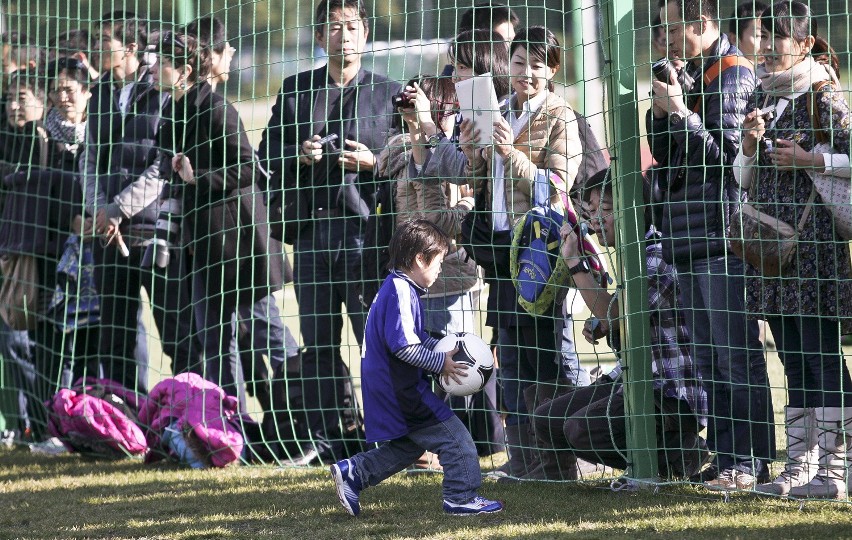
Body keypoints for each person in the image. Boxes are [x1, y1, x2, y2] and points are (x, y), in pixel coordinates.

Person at [258, 0, 401, 464]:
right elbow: (265, 157)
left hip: (366, 235)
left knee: (373, 342)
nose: (344, 35)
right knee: (318, 344)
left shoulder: (389, 93)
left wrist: (371, 162)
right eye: (334, 27)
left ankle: (388, 435)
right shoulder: (297, 90)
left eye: (352, 26)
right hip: (314, 233)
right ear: (320, 36)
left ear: (366, 33)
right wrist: (298, 155)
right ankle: (327, 439)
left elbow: (409, 165)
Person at [649, 0, 775, 490]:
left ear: (701, 23)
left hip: (722, 237)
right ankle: (725, 456)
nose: (666, 39)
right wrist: (663, 111)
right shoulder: (698, 74)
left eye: (672, 28)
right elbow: (665, 155)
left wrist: (682, 113)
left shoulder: (733, 75)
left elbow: (730, 163)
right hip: (688, 235)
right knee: (707, 359)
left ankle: (753, 461)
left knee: (734, 355)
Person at [734, 1, 852, 499]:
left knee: (821, 355)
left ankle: (836, 471)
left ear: (803, 44)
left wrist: (812, 159)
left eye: (773, 38)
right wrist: (746, 144)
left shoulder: (824, 95)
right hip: (770, 252)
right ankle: (798, 469)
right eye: (759, 37)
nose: (762, 49)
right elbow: (743, 179)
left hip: (814, 248)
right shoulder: (762, 98)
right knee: (792, 357)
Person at [461, 26, 583, 480]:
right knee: (510, 354)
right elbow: (484, 179)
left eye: (536, 64)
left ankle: (557, 462)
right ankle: (524, 457)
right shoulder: (500, 109)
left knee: (544, 353)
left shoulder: (560, 116)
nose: (525, 72)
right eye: (518, 62)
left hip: (538, 253)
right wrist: (474, 150)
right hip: (498, 249)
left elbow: (556, 188)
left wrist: (509, 153)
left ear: (552, 69)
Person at [533, 168, 709, 481]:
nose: (596, 220)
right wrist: (605, 323)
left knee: (580, 429)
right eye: (592, 210)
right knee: (546, 419)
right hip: (631, 377)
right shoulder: (632, 254)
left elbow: (614, 314)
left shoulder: (658, 254)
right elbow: (618, 315)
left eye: (607, 209)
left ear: (635, 209)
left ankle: (679, 453)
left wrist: (575, 262)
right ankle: (663, 453)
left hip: (671, 393)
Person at [329, 219, 503, 517]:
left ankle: (355, 472)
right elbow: (404, 347)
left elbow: (412, 337)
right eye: (437, 262)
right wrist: (441, 363)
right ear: (419, 259)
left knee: (410, 445)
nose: (439, 270)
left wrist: (436, 342)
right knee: (455, 438)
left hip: (390, 385)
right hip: (402, 388)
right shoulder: (399, 291)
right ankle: (461, 496)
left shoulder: (398, 287)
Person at [153, 31, 282, 414]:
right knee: (214, 339)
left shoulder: (217, 109)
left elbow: (247, 167)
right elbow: (166, 161)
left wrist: (199, 176)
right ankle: (232, 425)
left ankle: (309, 420)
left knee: (268, 334)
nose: (152, 68)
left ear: (184, 71)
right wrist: (174, 167)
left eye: (161, 62)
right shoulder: (173, 111)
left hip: (239, 245)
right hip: (200, 243)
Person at [80, 13, 195, 392]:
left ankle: (190, 413)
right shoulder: (99, 96)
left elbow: (163, 164)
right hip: (107, 234)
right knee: (115, 333)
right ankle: (123, 415)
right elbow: (90, 158)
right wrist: (101, 210)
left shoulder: (160, 90)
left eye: (103, 40)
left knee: (174, 329)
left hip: (154, 232)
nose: (95, 48)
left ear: (129, 47)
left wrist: (120, 207)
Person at [727, 1, 767, 66]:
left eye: (775, 36)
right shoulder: (726, 72)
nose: (767, 46)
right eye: (760, 36)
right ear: (734, 39)